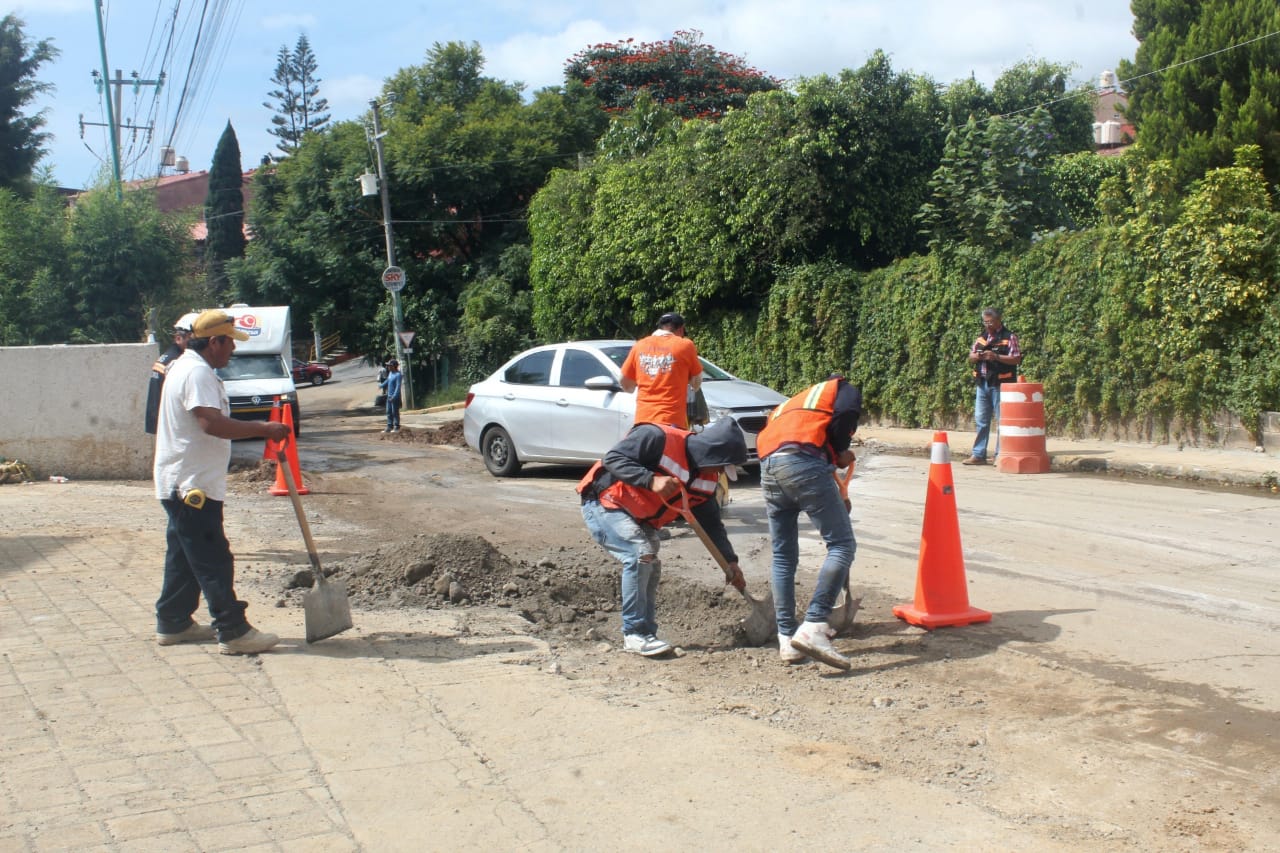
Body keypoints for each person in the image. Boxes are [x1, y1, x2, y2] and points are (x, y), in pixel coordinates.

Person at [153, 309, 292, 655]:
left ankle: (173, 621)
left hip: (183, 481)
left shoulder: (188, 367)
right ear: (214, 342)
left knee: (184, 557)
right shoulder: (197, 372)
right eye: (230, 342)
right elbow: (210, 423)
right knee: (213, 558)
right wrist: (264, 428)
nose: (234, 349)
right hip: (191, 486)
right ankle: (232, 631)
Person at [577, 418, 748, 657]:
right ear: (710, 454)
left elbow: (711, 524)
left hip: (640, 518)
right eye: (720, 467)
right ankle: (634, 633)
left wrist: (730, 560)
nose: (719, 473)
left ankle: (647, 633)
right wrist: (650, 479)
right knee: (640, 554)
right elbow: (613, 459)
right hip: (604, 502)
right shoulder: (657, 437)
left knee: (651, 563)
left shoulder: (707, 481)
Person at [756, 375, 863, 670]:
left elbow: (797, 440)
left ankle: (786, 638)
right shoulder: (844, 390)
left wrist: (831, 465)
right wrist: (840, 452)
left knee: (783, 555)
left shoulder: (796, 403)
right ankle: (814, 625)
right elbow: (845, 413)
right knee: (842, 545)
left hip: (769, 466)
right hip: (802, 462)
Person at [620, 312, 703, 429]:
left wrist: (633, 388)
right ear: (681, 330)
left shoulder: (639, 345)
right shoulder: (685, 345)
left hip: (643, 421)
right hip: (672, 422)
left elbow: (624, 381)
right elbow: (696, 382)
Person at [963, 307, 1022, 465]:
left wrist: (995, 356)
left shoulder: (1009, 337)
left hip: (1001, 384)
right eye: (985, 322)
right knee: (981, 420)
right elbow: (971, 356)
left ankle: (1000, 455)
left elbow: (1016, 359)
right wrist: (976, 356)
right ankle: (978, 454)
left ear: (998, 320)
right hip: (982, 383)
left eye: (990, 322)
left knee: (1002, 421)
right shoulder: (982, 337)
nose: (987, 325)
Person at [144, 319, 191, 434]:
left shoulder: (168, 358)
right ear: (178, 339)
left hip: (163, 424)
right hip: (172, 426)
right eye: (192, 340)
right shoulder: (176, 362)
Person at [379, 359, 402, 433]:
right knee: (388, 412)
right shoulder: (390, 373)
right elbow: (387, 381)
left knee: (395, 412)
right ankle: (389, 426)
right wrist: (381, 385)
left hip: (395, 397)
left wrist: (394, 396)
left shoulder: (398, 375)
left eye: (389, 365)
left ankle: (396, 427)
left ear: (394, 366)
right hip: (389, 396)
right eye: (388, 365)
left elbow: (398, 387)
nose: (388, 367)